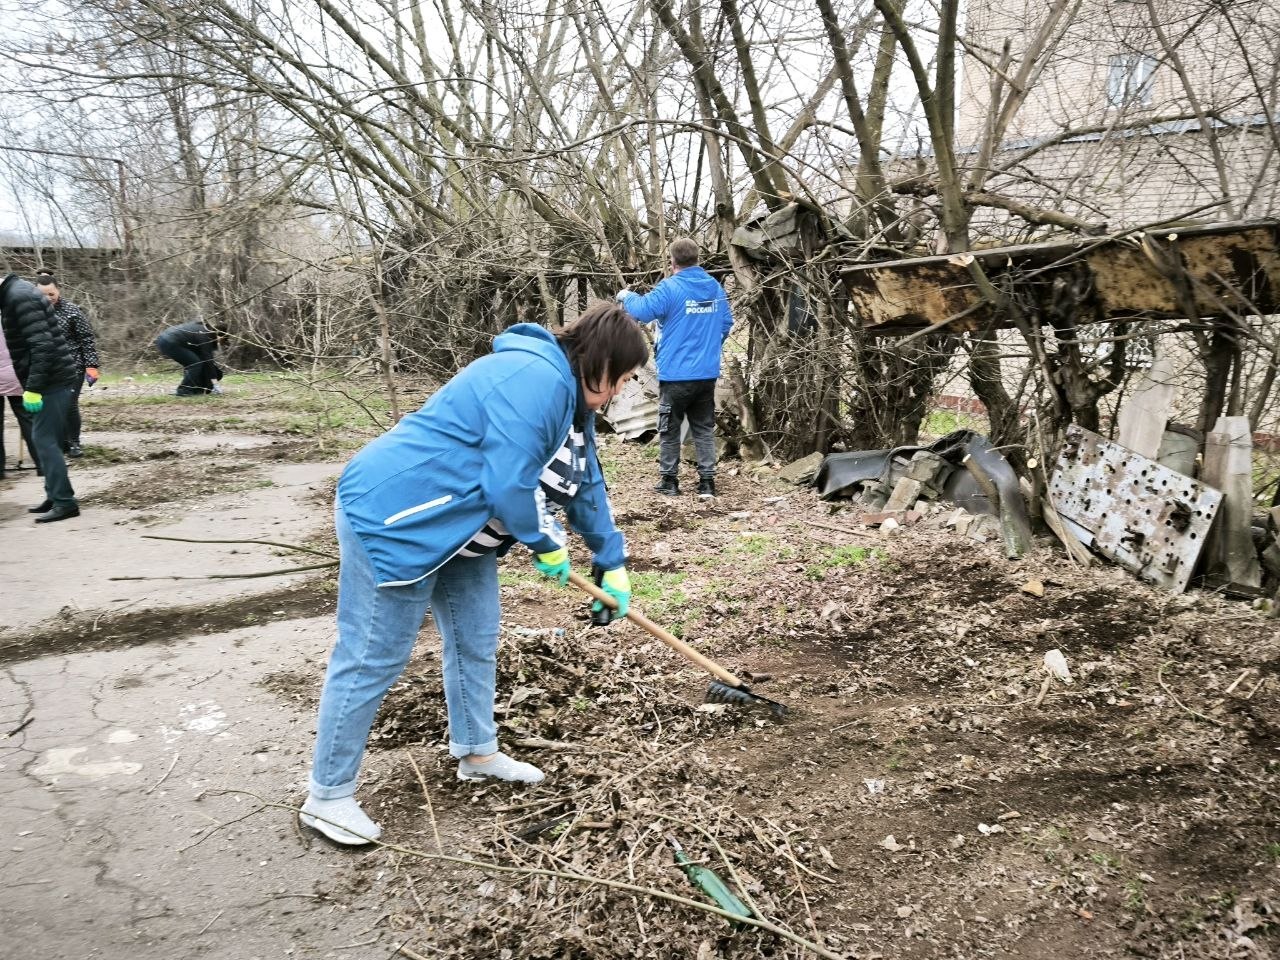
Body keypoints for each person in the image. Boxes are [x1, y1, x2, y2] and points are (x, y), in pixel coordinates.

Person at [301, 303, 649, 846]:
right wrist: (543, 543)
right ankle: (327, 796)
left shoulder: (569, 396)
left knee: (475, 639)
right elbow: (507, 482)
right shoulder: (533, 379)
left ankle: (477, 752)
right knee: (372, 655)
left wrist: (611, 561)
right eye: (624, 378)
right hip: (397, 518)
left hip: (459, 534)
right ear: (601, 362)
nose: (623, 391)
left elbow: (585, 483)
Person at [617, 238, 733, 499]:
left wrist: (626, 295)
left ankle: (669, 481)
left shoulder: (670, 288)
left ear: (672, 262)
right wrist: (708, 348)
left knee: (669, 429)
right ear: (697, 259)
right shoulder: (714, 287)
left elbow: (643, 311)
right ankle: (707, 484)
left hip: (676, 376)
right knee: (703, 429)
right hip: (706, 375)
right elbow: (726, 323)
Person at [0, 272, 80, 522]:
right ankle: (55, 495)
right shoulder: (16, 293)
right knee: (49, 441)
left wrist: (33, 387)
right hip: (51, 378)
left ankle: (65, 502)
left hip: (51, 380)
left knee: (43, 441)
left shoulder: (19, 297)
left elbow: (42, 345)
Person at [34, 271, 100, 458]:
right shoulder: (33, 312)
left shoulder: (72, 311)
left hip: (73, 366)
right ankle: (60, 441)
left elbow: (86, 339)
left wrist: (91, 366)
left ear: (58, 291)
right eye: (42, 295)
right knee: (52, 406)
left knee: (69, 404)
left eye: (51, 294)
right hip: (46, 367)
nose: (47, 299)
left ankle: (74, 442)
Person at [0, 320, 41, 479]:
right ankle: (42, 464)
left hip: (12, 374)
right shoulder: (13, 317)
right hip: (17, 375)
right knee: (28, 420)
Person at [154, 319, 223, 396]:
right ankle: (183, 390)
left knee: (192, 363)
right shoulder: (206, 336)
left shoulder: (201, 328)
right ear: (218, 335)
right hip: (170, 341)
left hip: (163, 339)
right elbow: (208, 361)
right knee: (195, 364)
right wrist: (215, 384)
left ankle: (191, 388)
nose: (219, 343)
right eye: (220, 340)